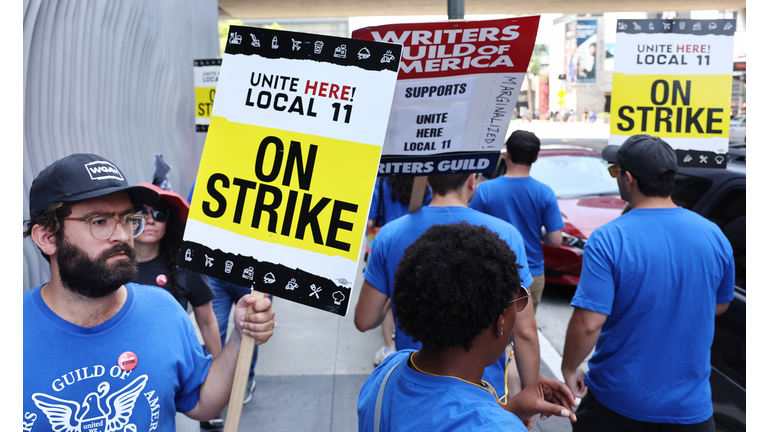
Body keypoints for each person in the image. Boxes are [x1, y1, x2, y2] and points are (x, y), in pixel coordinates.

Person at [23, 153, 275, 429]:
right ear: (47, 237)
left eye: (127, 219)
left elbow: (203, 403)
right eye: (99, 221)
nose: (122, 235)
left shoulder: (163, 310)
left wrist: (239, 337)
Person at [561, 135, 735, 431]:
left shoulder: (609, 238)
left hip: (617, 406)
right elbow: (720, 305)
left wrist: (568, 367)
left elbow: (588, 323)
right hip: (692, 412)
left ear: (627, 178)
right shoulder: (714, 234)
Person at [354, 173, 542, 427]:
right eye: (514, 301)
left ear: (429, 180)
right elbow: (526, 332)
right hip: (486, 394)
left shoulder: (384, 374)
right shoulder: (507, 234)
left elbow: (364, 320)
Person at [358, 222, 577, 432]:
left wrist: (510, 410)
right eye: (516, 300)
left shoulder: (387, 372)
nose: (519, 308)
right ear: (498, 321)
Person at [187, 180, 263, 406]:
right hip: (216, 269)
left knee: (250, 328)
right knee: (214, 328)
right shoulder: (213, 172)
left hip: (255, 272)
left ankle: (246, 377)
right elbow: (192, 215)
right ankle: (212, 383)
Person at [470, 130, 564, 313]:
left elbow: (470, 229)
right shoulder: (544, 192)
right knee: (523, 331)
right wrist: (539, 232)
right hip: (531, 273)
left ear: (507, 154)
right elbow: (556, 240)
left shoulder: (485, 190)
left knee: (493, 332)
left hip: (492, 273)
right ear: (535, 158)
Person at [132, 183, 222, 359]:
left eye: (159, 214)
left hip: (177, 363)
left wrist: (218, 369)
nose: (150, 220)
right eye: (141, 213)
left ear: (168, 221)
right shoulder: (110, 265)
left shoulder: (186, 266)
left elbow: (207, 322)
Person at [367, 176, 432, 366]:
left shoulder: (381, 183)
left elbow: (371, 220)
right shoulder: (422, 184)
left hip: (387, 244)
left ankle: (389, 348)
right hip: (417, 245)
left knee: (389, 298)